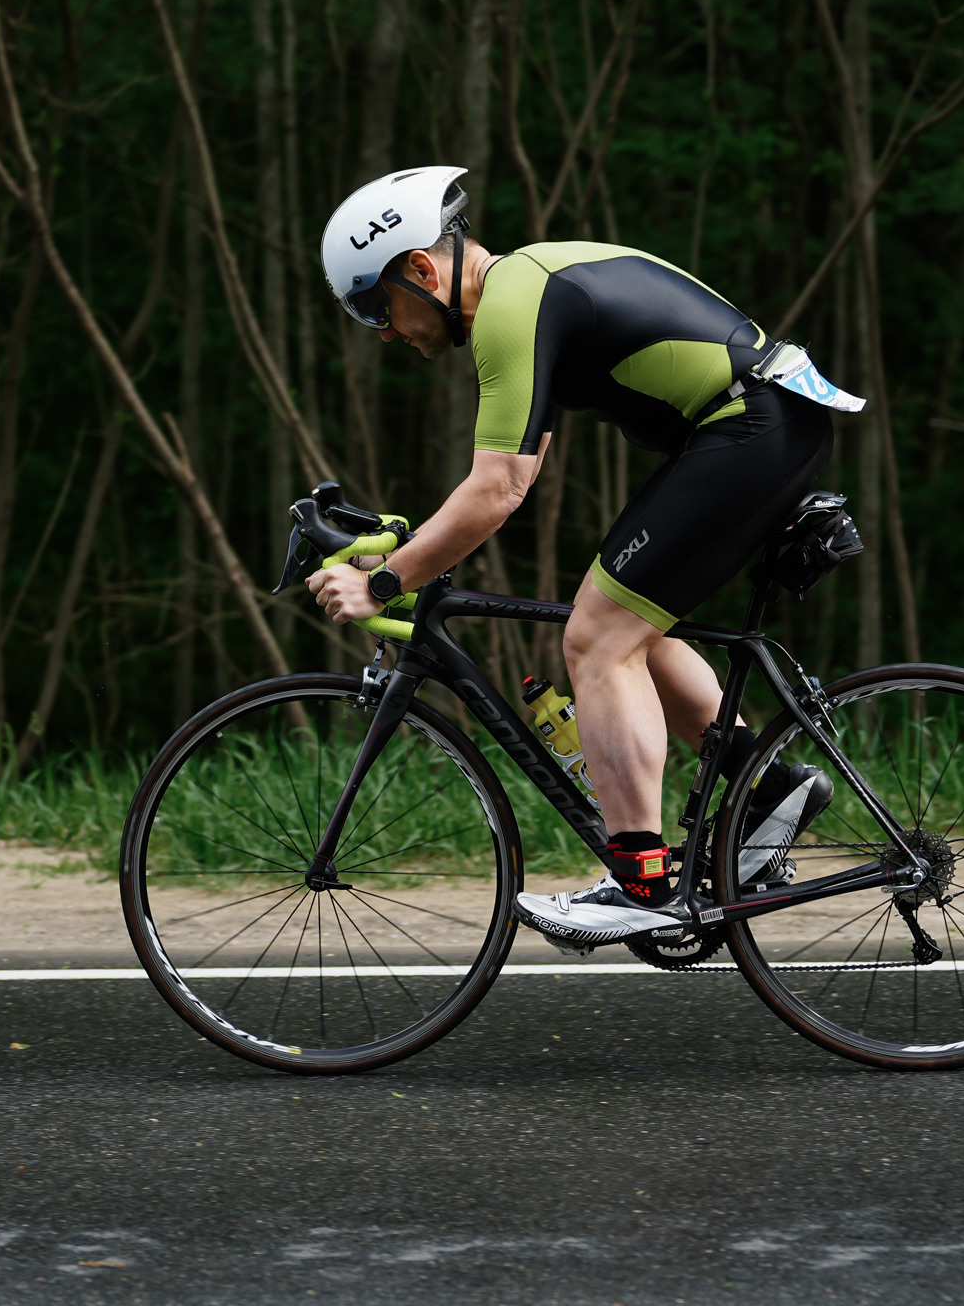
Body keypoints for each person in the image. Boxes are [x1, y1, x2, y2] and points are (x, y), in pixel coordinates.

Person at [306, 165, 864, 947]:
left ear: (423, 271)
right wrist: (412, 549)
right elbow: (511, 471)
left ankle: (642, 884)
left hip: (750, 426)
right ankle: (766, 787)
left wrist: (386, 582)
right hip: (759, 422)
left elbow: (498, 489)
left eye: (376, 307)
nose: (385, 333)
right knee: (627, 624)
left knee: (597, 638)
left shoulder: (513, 305)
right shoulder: (530, 291)